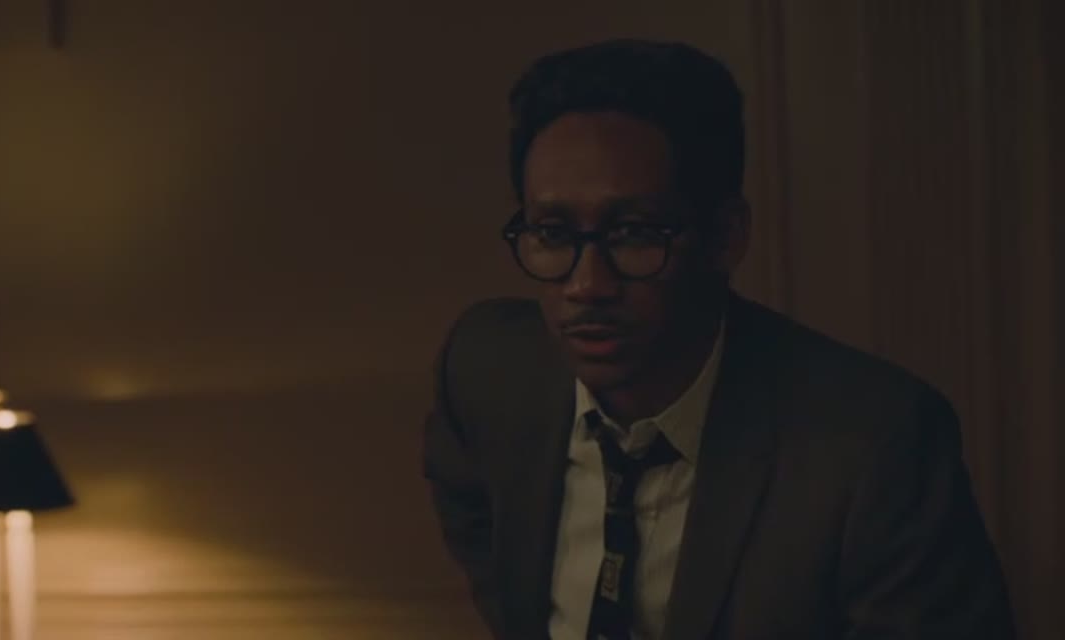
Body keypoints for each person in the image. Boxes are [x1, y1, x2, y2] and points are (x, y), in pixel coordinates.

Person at [421, 39, 1014, 640]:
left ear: (726, 237)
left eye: (634, 233)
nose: (587, 285)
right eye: (552, 233)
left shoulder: (873, 446)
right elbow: (473, 518)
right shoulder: (485, 368)